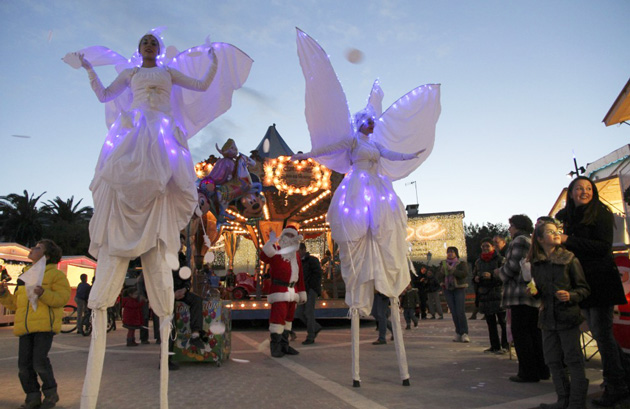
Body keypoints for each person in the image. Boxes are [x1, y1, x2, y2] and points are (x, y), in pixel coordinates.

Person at [70, 29, 252, 409]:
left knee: (168, 181)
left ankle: (157, 223)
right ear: (139, 51)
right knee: (125, 176)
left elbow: (201, 85)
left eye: (154, 42)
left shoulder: (168, 74)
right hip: (137, 129)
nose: (151, 47)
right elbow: (105, 95)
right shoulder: (133, 76)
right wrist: (89, 69)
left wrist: (216, 63)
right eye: (145, 43)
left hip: (163, 131)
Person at [295, 28, 440, 388]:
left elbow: (390, 154)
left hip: (379, 188)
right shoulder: (350, 141)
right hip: (358, 188)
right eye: (368, 122)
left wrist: (409, 153)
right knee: (355, 230)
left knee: (386, 225)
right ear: (360, 122)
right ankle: (359, 287)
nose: (370, 125)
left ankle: (388, 285)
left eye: (371, 123)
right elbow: (327, 146)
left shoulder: (375, 145)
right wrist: (305, 154)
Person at [556, 176, 630, 407]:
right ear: (571, 193)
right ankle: (623, 376)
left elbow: (602, 247)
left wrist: (570, 240)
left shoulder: (600, 213)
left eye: (589, 188)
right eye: (579, 188)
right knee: (600, 334)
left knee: (602, 333)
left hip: (601, 281)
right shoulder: (569, 218)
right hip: (582, 282)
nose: (584, 192)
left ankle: (616, 385)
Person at [527, 218, 591, 409]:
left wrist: (570, 295)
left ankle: (577, 403)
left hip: (568, 317)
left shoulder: (570, 259)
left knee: (573, 360)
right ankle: (563, 400)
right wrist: (534, 292)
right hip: (547, 319)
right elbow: (537, 293)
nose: (555, 234)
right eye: (549, 231)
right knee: (553, 361)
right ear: (539, 238)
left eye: (557, 230)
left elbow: (584, 289)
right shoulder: (536, 264)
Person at [0, 239, 70, 409]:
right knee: (23, 365)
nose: (32, 249)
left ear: (46, 255)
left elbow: (62, 298)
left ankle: (51, 393)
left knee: (39, 362)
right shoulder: (25, 275)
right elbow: (16, 303)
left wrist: (44, 293)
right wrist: (4, 294)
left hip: (44, 326)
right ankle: (32, 397)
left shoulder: (56, 275)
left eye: (38, 248)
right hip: (25, 327)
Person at [497, 215, 549, 383]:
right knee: (534, 332)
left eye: (510, 225)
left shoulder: (519, 241)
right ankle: (541, 368)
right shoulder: (531, 241)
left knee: (521, 333)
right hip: (531, 292)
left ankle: (527, 371)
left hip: (519, 294)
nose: (508, 229)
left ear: (517, 226)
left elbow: (512, 266)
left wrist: (500, 273)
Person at [260, 226, 307, 358]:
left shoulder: (296, 256)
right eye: (288, 236)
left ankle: (284, 346)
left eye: (293, 236)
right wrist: (270, 243)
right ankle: (275, 347)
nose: (291, 239)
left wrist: (302, 292)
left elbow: (300, 276)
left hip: (293, 291)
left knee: (288, 320)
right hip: (279, 291)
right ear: (284, 237)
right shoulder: (275, 251)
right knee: (277, 320)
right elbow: (263, 256)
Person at [473, 238, 508, 354]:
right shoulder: (478, 262)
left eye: (487, 246)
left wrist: (492, 275)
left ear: (493, 247)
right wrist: (476, 278)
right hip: (485, 294)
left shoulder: (500, 260)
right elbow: (474, 275)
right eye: (483, 246)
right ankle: (494, 345)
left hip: (498, 293)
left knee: (503, 321)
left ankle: (505, 345)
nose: (485, 248)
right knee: (490, 322)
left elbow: (505, 275)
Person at [438, 246, 470, 343]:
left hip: (459, 288)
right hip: (448, 289)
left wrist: (452, 270)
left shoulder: (461, 263)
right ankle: (458, 332)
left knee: (460, 311)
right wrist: (443, 271)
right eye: (448, 252)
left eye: (452, 252)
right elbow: (439, 276)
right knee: (454, 312)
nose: (450, 254)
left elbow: (464, 274)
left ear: (456, 253)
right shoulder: (443, 263)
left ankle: (464, 332)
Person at [295, 242, 323, 345]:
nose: (296, 253)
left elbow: (317, 274)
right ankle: (315, 327)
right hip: (303, 290)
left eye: (298, 251)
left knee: (308, 312)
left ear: (303, 250)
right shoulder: (298, 262)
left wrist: (311, 287)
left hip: (310, 290)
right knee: (299, 312)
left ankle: (310, 335)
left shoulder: (312, 260)